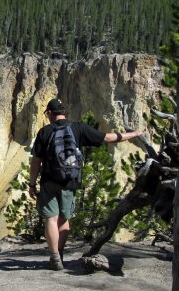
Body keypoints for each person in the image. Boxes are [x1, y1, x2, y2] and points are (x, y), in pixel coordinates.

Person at [28, 98, 143, 270]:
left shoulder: (44, 131)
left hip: (49, 180)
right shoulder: (78, 128)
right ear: (65, 113)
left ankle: (54, 259)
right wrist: (134, 134)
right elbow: (109, 137)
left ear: (50, 113)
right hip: (70, 181)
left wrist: (31, 183)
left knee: (51, 218)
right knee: (64, 219)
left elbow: (36, 161)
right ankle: (60, 253)